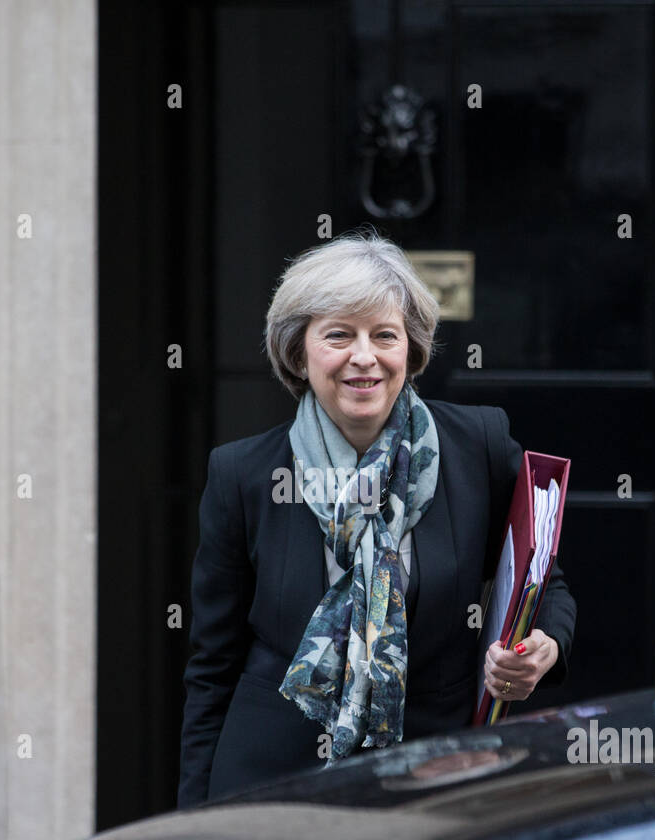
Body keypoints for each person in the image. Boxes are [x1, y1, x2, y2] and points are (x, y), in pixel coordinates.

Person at [177, 230, 576, 808]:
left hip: (439, 776)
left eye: (383, 335)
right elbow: (212, 666)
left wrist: (544, 647)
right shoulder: (242, 475)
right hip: (276, 785)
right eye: (338, 335)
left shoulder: (478, 446)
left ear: (410, 350)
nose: (363, 357)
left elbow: (548, 584)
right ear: (299, 350)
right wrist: (194, 825)